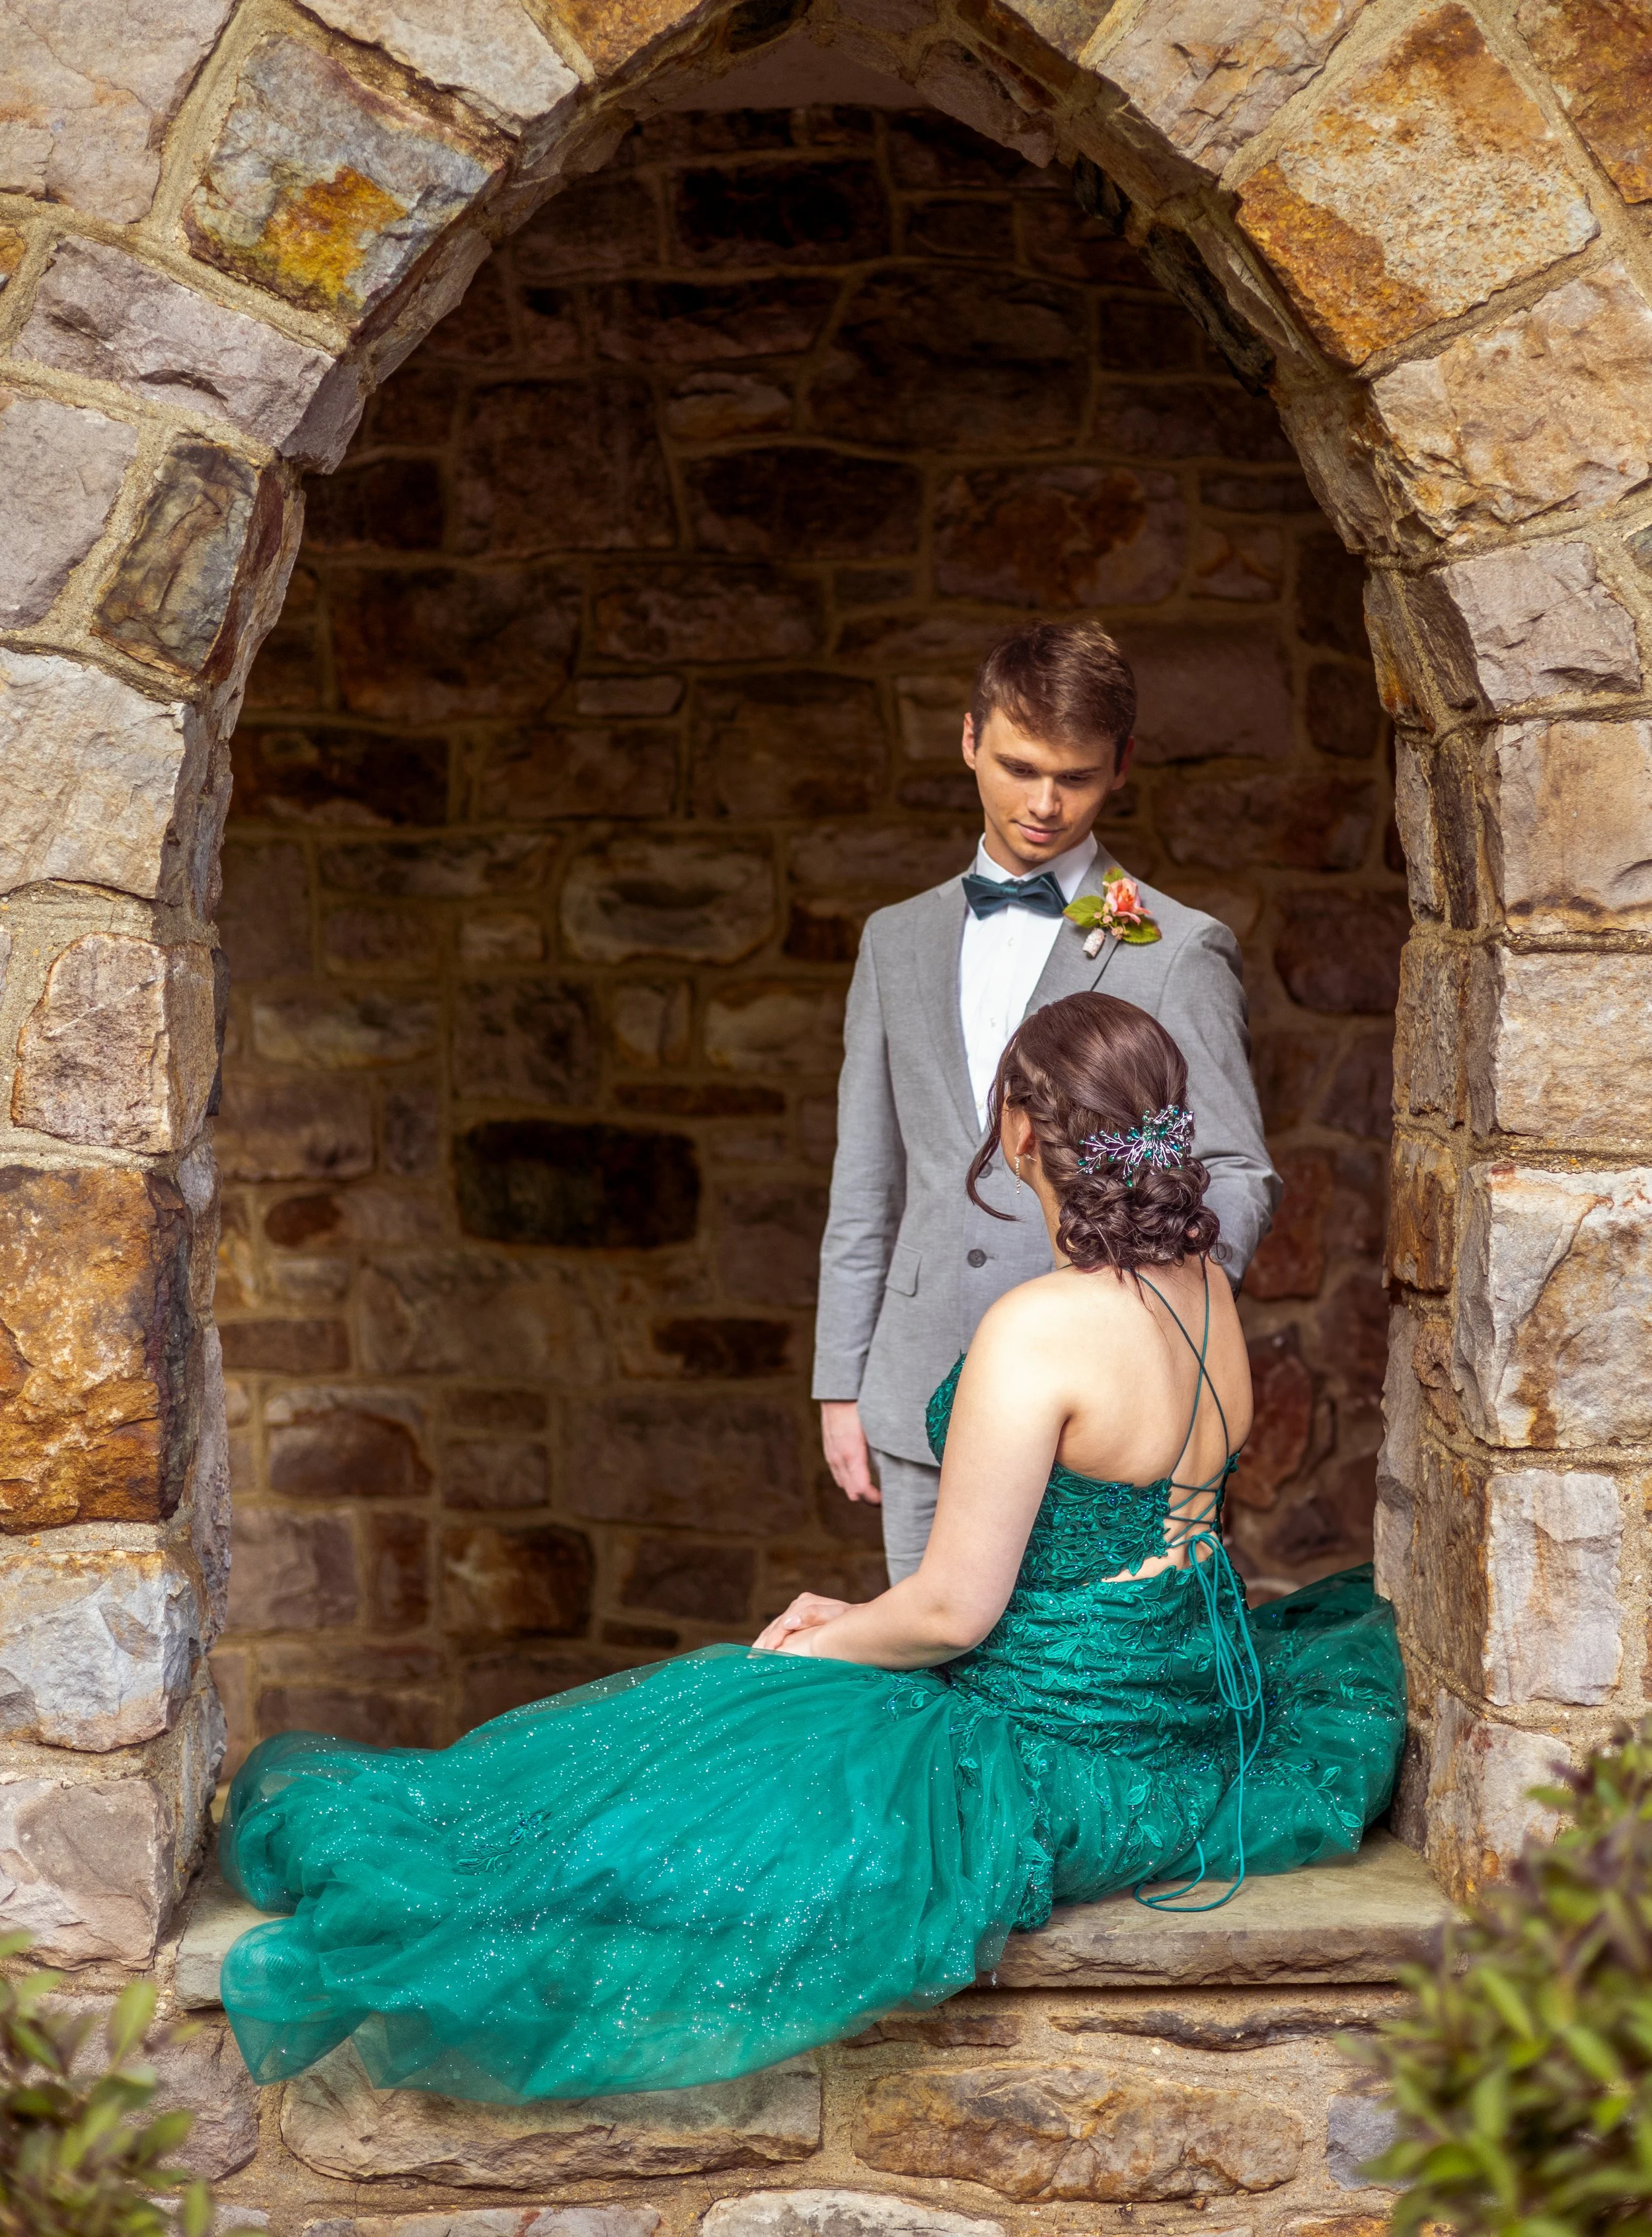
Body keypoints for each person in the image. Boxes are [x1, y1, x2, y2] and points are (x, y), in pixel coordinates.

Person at [217, 993, 1404, 2109]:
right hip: (1188, 1712)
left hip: (1053, 1728)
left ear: (1021, 1127)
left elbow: (951, 1614)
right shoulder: (1204, 1290)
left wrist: (827, 1643)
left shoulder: (1040, 1330)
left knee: (709, 1733)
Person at [815, 619, 1281, 1583]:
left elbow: (1237, 1170)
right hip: (912, 1385)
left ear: (1122, 767)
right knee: (930, 1690)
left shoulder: (1178, 948)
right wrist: (841, 1381)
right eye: (1021, 768)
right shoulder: (891, 940)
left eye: (1076, 776)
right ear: (970, 739)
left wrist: (1163, 1311)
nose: (1045, 804)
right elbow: (867, 1180)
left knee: (1057, 1690)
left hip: (1097, 1404)